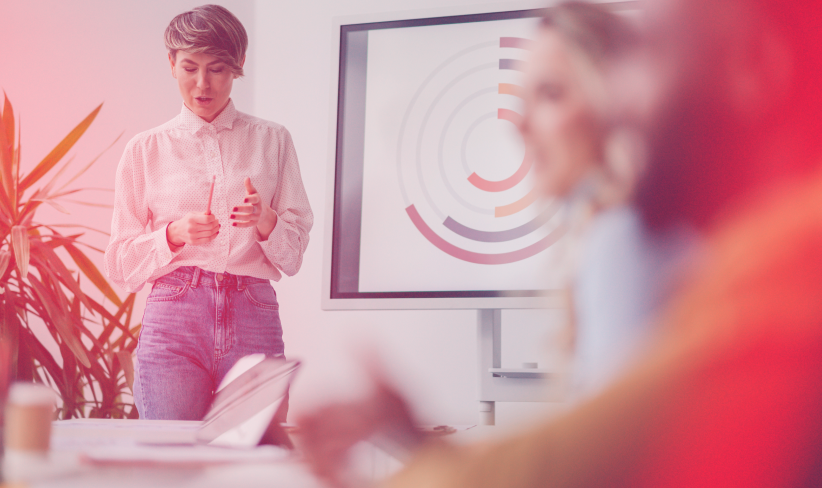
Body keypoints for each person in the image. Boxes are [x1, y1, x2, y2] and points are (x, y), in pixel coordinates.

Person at [298, 0, 822, 486]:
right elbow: (592, 449)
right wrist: (415, 439)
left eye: (552, 94)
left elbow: (590, 471)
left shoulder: (630, 245)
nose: (519, 125)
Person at [104, 4, 312, 421]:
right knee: (170, 465)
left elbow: (292, 258)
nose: (202, 83)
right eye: (190, 67)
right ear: (171, 64)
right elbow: (120, 266)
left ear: (238, 67)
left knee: (253, 462)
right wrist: (173, 234)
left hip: (254, 311)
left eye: (217, 68)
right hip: (174, 316)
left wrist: (266, 220)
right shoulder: (145, 150)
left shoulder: (272, 140)